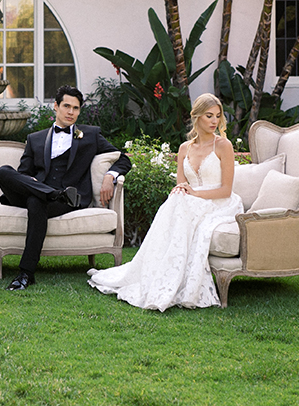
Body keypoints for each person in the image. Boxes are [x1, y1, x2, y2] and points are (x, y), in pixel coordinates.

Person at [87, 93, 242, 309]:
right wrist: (183, 193)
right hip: (191, 201)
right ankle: (157, 272)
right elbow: (181, 185)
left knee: (182, 203)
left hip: (220, 202)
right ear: (197, 116)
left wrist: (194, 194)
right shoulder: (185, 149)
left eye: (217, 116)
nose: (214, 121)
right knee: (175, 200)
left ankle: (176, 280)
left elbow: (226, 190)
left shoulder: (223, 146)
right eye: (209, 116)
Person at [0, 85, 132, 291]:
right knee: (4, 171)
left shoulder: (90, 135)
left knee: (36, 202)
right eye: (66, 106)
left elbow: (123, 158)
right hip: (38, 191)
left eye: (76, 108)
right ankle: (49, 193)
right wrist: (33, 183)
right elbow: (23, 173)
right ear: (56, 106)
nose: (71, 112)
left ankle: (26, 273)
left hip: (66, 200)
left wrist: (109, 175)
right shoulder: (36, 138)